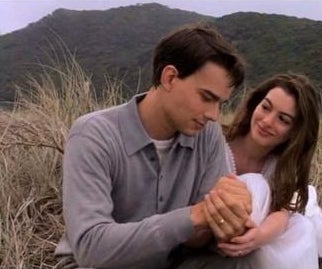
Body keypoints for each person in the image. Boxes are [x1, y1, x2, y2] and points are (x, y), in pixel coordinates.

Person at [54, 24, 254, 269]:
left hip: (171, 261)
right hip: (96, 265)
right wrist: (195, 216)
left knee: (243, 261)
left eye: (221, 103)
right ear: (169, 77)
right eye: (206, 97)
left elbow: (205, 230)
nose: (214, 114)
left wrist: (229, 222)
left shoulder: (208, 134)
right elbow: (91, 247)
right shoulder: (94, 134)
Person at [205, 73, 322, 268]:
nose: (267, 121)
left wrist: (258, 237)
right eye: (265, 107)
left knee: (301, 226)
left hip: (251, 242)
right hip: (207, 231)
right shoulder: (216, 142)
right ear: (255, 104)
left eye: (283, 119)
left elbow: (281, 214)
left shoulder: (280, 166)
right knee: (254, 185)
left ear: (294, 131)